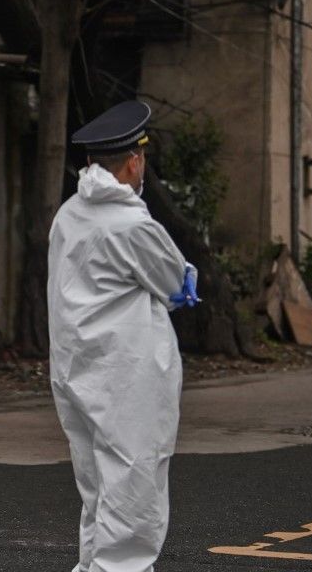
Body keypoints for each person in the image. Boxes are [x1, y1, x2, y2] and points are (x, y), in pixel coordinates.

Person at [46, 100, 199, 572]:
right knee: (133, 483)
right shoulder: (132, 223)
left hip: (76, 367)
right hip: (127, 371)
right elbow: (176, 284)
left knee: (97, 487)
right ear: (133, 161)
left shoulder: (69, 214)